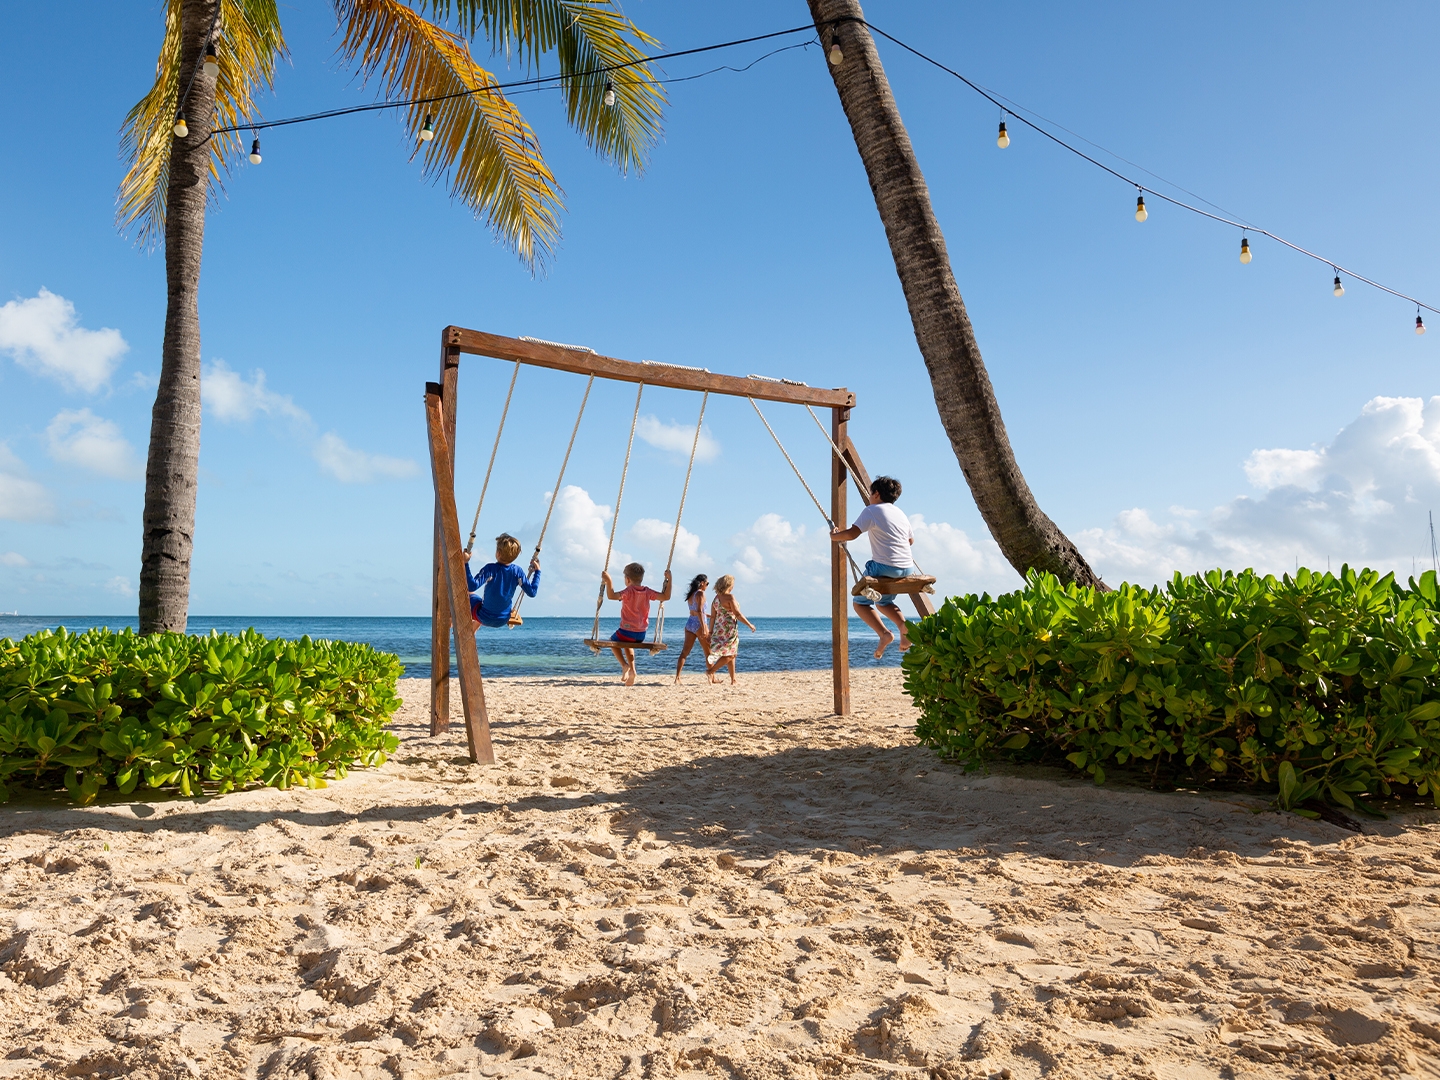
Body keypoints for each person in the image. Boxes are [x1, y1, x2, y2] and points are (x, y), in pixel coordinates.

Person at [829, 475, 914, 658]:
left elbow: (852, 534)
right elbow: (910, 540)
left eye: (870, 493)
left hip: (885, 567)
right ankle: (902, 625)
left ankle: (884, 633)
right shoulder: (900, 513)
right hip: (906, 567)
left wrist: (834, 536)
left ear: (876, 493)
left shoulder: (871, 510)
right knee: (883, 602)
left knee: (859, 603)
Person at [600, 561, 672, 686]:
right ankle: (633, 671)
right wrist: (670, 580)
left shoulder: (628, 591)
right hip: (641, 634)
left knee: (612, 641)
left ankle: (624, 665)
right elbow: (666, 596)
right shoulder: (647, 591)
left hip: (626, 632)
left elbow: (611, 596)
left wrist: (608, 580)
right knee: (628, 644)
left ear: (627, 579)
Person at [466, 533, 540, 628]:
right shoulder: (517, 571)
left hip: (483, 617)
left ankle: (451, 620)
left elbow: (472, 586)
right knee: (484, 605)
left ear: (498, 554)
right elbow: (532, 592)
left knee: (469, 595)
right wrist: (537, 571)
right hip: (503, 620)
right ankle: (474, 628)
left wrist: (465, 563)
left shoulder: (490, 569)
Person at [705, 574, 756, 684]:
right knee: (732, 654)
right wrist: (749, 624)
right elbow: (737, 614)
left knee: (731, 654)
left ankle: (733, 680)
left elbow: (713, 617)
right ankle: (711, 671)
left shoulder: (716, 599)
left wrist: (710, 632)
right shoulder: (730, 597)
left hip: (719, 630)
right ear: (729, 585)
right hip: (729, 630)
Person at [674, 574, 710, 682]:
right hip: (699, 624)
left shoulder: (692, 594)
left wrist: (711, 616)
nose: (707, 586)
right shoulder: (701, 593)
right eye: (707, 584)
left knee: (685, 652)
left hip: (690, 622)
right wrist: (704, 627)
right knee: (708, 652)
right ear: (702, 583)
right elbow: (699, 611)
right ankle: (712, 677)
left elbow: (696, 612)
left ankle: (677, 677)